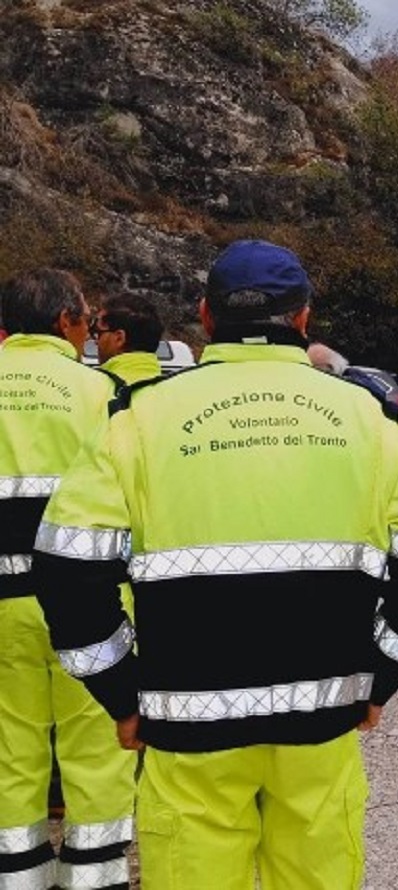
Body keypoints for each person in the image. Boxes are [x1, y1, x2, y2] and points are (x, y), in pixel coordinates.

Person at [32, 240, 398, 889]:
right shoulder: (371, 418)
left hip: (186, 729)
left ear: (205, 317)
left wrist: (121, 694)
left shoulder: (140, 418)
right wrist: (384, 676)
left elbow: (67, 567)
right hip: (323, 724)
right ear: (304, 318)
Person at [0, 269, 137, 890]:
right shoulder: (102, 392)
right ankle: (95, 877)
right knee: (95, 747)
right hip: (85, 604)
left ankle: (17, 876)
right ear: (64, 322)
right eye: (87, 320)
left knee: (10, 749)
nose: (89, 330)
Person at [93, 291, 165, 385]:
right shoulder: (179, 393)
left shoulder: (94, 391)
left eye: (99, 334)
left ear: (119, 338)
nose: (96, 342)